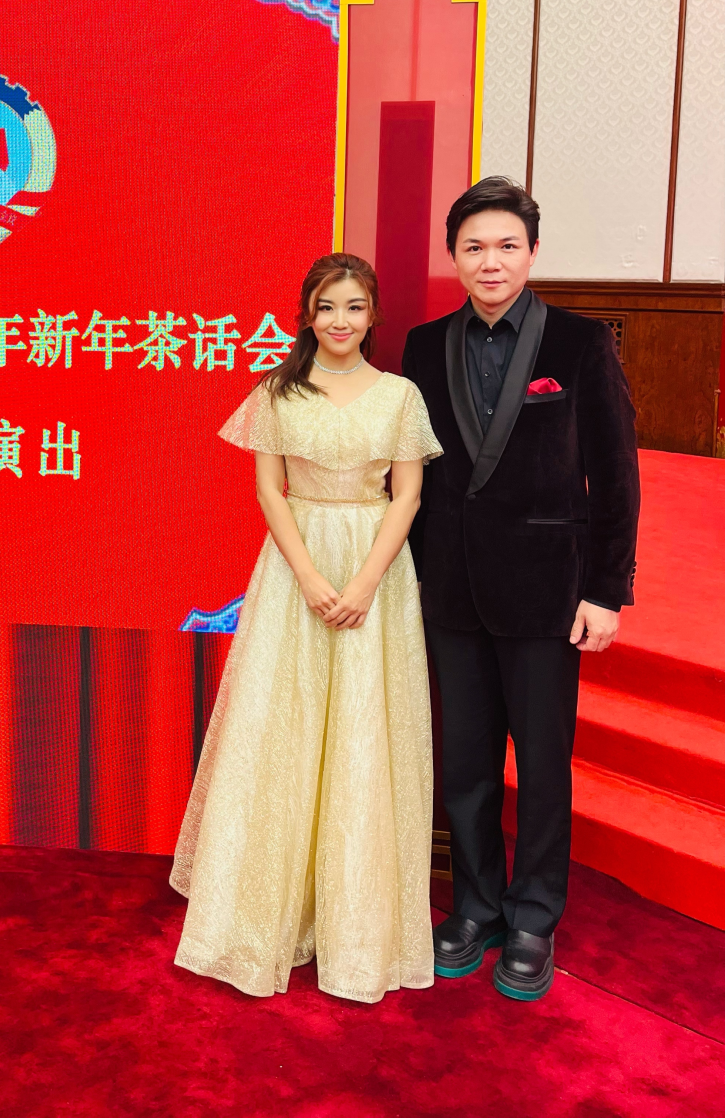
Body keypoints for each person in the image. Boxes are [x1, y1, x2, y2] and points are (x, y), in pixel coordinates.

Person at [171, 253, 443, 1004]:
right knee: (282, 725)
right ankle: (267, 909)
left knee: (364, 729)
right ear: (307, 315)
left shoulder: (400, 395)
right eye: (326, 307)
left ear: (372, 315)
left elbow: (407, 495)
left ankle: (354, 922)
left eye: (354, 306)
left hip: (377, 573)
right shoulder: (276, 391)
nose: (340, 321)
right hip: (294, 573)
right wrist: (312, 579)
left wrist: (362, 584)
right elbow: (270, 491)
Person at [402, 177, 639, 1002]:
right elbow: (414, 471)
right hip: (451, 590)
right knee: (464, 763)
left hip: (547, 593)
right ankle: (475, 907)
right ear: (453, 256)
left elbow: (614, 475)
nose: (490, 261)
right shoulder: (423, 346)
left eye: (506, 245)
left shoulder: (578, 343)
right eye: (473, 247)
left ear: (532, 252)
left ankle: (533, 913)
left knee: (540, 766)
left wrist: (605, 590)